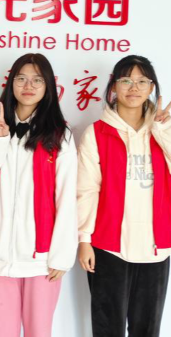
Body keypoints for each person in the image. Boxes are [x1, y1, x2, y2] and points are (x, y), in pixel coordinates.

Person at [0, 53, 77, 337]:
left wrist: (62, 256)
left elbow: (67, 198)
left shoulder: (60, 135)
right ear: (11, 84)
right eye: (21, 79)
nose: (28, 86)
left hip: (41, 256)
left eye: (37, 80)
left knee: (39, 331)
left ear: (48, 86)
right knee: (1, 331)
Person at [77, 55, 171, 337]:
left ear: (151, 87)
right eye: (126, 80)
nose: (134, 87)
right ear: (114, 87)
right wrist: (84, 239)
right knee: (108, 328)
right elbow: (87, 190)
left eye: (142, 81)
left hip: (156, 246)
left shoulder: (164, 130)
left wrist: (162, 131)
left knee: (147, 329)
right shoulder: (96, 133)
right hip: (108, 246)